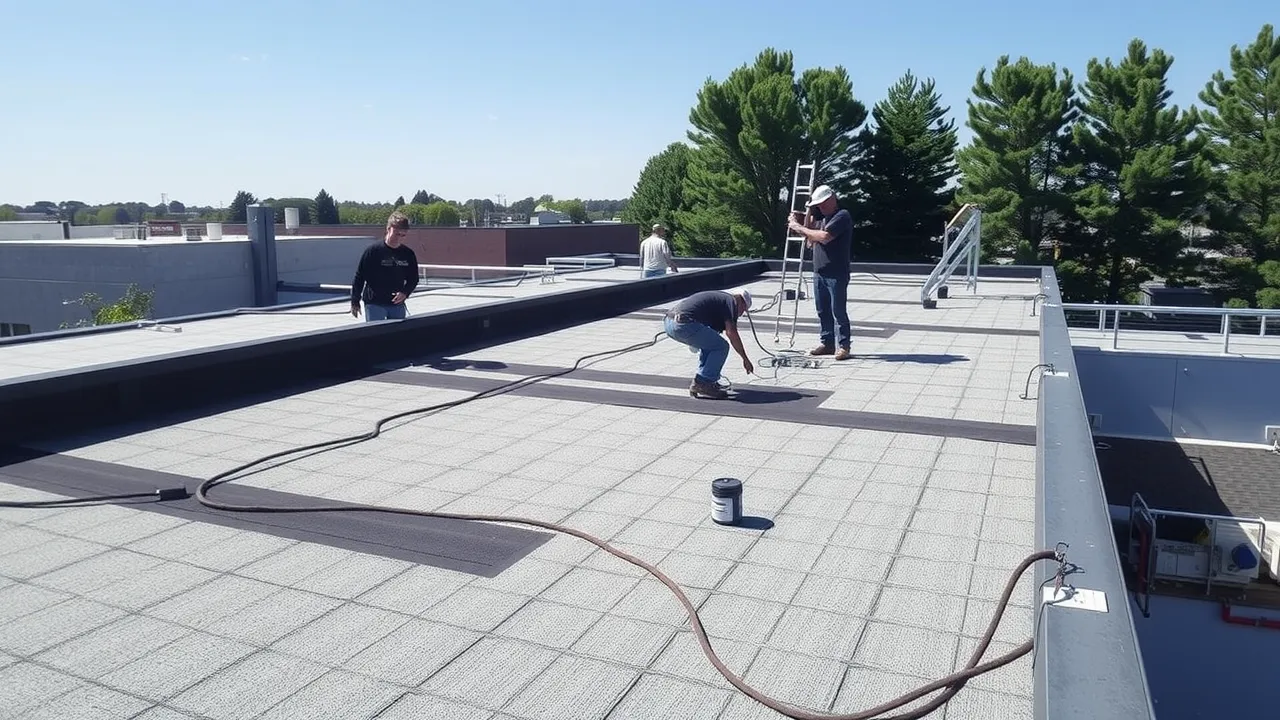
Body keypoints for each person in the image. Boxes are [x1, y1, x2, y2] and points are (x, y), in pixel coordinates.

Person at [788, 184, 852, 360]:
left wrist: (797, 226)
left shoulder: (841, 216)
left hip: (836, 273)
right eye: (819, 205)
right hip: (819, 272)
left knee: (838, 310)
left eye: (823, 203)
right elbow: (809, 232)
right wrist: (806, 212)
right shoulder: (821, 219)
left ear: (832, 199)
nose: (821, 207)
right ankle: (827, 343)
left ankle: (844, 346)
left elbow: (823, 237)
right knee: (822, 310)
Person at [663, 288, 754, 399]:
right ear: (741, 301)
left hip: (669, 322)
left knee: (711, 345)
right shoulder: (731, 302)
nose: (740, 314)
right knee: (721, 347)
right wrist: (745, 358)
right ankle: (704, 383)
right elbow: (732, 333)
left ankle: (704, 380)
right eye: (743, 309)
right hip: (683, 324)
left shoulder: (720, 302)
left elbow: (713, 333)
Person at [351, 211, 420, 321]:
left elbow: (414, 278)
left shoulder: (408, 254)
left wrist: (405, 293)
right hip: (374, 303)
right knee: (376, 335)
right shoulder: (373, 251)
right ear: (388, 229)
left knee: (396, 336)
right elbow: (360, 276)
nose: (399, 238)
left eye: (403, 235)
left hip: (396, 303)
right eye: (396, 234)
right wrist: (355, 300)